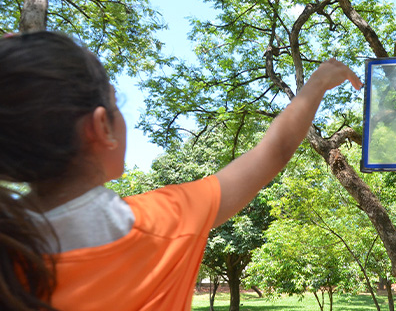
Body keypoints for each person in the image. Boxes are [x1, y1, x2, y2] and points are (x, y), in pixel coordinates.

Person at [0, 31, 362, 311]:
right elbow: (273, 151)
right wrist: (317, 83)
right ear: (101, 127)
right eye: (115, 100)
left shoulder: (11, 255)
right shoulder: (161, 225)